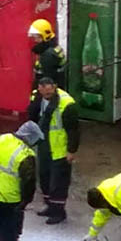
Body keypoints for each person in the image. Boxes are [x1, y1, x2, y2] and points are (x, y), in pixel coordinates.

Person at [0, 121, 43, 241]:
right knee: (11, 226)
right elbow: (29, 182)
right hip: (11, 195)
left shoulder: (4, 138)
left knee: (0, 223)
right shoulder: (25, 155)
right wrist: (26, 200)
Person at [27, 76, 79, 224]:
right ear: (40, 89)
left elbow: (74, 130)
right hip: (44, 144)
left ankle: (59, 212)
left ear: (55, 87)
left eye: (50, 92)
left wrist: (71, 150)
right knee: (44, 177)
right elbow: (33, 117)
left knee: (59, 182)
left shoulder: (67, 104)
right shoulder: (38, 97)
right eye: (45, 92)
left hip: (60, 149)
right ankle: (50, 206)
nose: (47, 95)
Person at [28, 19, 67, 90]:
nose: (35, 40)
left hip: (47, 92)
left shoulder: (48, 55)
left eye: (37, 37)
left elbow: (47, 81)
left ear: (45, 36)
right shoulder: (55, 48)